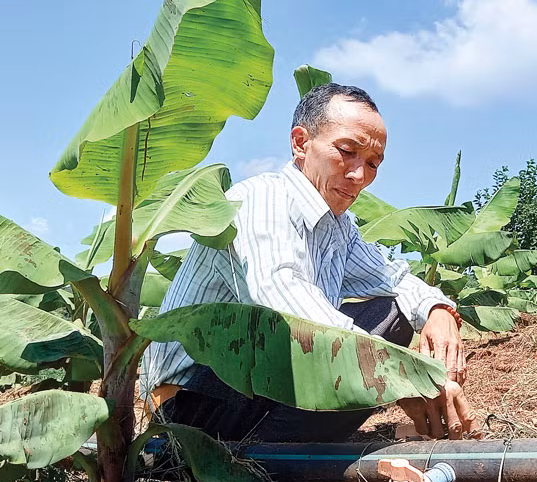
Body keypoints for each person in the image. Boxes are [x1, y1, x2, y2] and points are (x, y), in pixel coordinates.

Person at [140, 83, 477, 449]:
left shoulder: (338, 226)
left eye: (373, 163)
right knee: (324, 346)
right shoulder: (260, 200)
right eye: (347, 151)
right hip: (190, 406)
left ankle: (271, 457)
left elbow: (392, 278)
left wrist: (438, 310)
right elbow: (290, 310)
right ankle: (240, 473)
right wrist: (401, 378)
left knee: (391, 313)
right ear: (301, 143)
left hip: (254, 387)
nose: (359, 176)